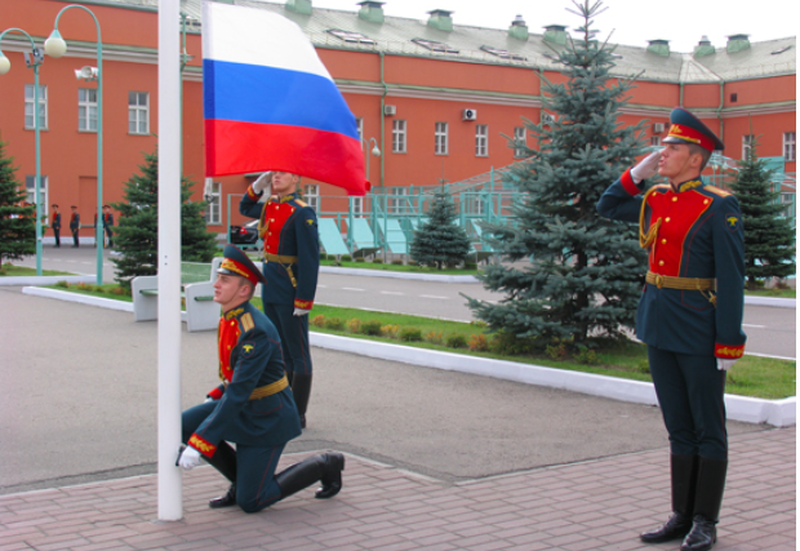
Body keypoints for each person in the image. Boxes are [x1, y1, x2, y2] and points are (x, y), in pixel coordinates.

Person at [597, 107, 746, 551]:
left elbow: (733, 279)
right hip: (659, 322)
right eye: (662, 147)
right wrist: (638, 171)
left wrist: (728, 342)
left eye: (672, 148)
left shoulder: (719, 206)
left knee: (708, 426)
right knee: (678, 425)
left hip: (700, 327)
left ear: (696, 159)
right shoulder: (657, 197)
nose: (663, 154)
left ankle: (706, 521)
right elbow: (608, 205)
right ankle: (680, 516)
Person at [177, 244, 344, 512]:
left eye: (225, 280)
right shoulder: (231, 317)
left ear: (244, 291)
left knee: (251, 501)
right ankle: (242, 480)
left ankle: (325, 464)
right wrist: (217, 393)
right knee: (184, 424)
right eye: (218, 277)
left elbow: (241, 391)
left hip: (266, 416)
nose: (216, 284)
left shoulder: (254, 331)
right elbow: (239, 376)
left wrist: (199, 445)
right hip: (244, 403)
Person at [239, 171, 320, 428]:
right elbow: (245, 207)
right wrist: (257, 185)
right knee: (279, 350)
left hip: (291, 287)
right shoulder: (272, 206)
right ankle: (284, 407)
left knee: (298, 353)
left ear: (296, 178)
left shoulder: (302, 212)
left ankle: (298, 414)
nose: (276, 177)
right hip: (272, 285)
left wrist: (304, 299)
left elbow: (310, 260)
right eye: (273, 174)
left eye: (282, 173)